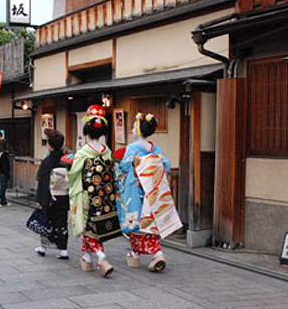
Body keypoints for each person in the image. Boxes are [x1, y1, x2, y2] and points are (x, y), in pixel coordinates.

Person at [117, 113, 182, 272]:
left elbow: (124, 167)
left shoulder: (132, 149)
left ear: (139, 129)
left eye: (133, 126)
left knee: (135, 223)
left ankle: (154, 253)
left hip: (136, 193)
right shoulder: (156, 149)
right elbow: (165, 165)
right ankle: (137, 253)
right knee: (150, 224)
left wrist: (134, 166)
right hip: (151, 194)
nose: (132, 129)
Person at [67, 105, 122, 277]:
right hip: (105, 197)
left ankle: (100, 257)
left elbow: (74, 174)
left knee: (90, 227)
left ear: (86, 131)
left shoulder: (83, 153)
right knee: (93, 227)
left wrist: (70, 167)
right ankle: (86, 258)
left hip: (87, 195)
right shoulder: (107, 152)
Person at [35, 131, 69, 260]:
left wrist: (40, 200)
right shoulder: (65, 160)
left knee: (46, 221)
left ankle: (43, 247)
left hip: (49, 197)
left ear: (49, 145)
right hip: (63, 195)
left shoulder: (47, 162)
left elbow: (42, 182)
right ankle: (63, 249)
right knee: (61, 222)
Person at [0, 139, 11, 208]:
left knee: (3, 187)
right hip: (4, 173)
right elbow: (5, 166)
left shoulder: (0, 154)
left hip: (1, 172)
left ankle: (3, 201)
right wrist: (7, 173)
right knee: (3, 188)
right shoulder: (3, 155)